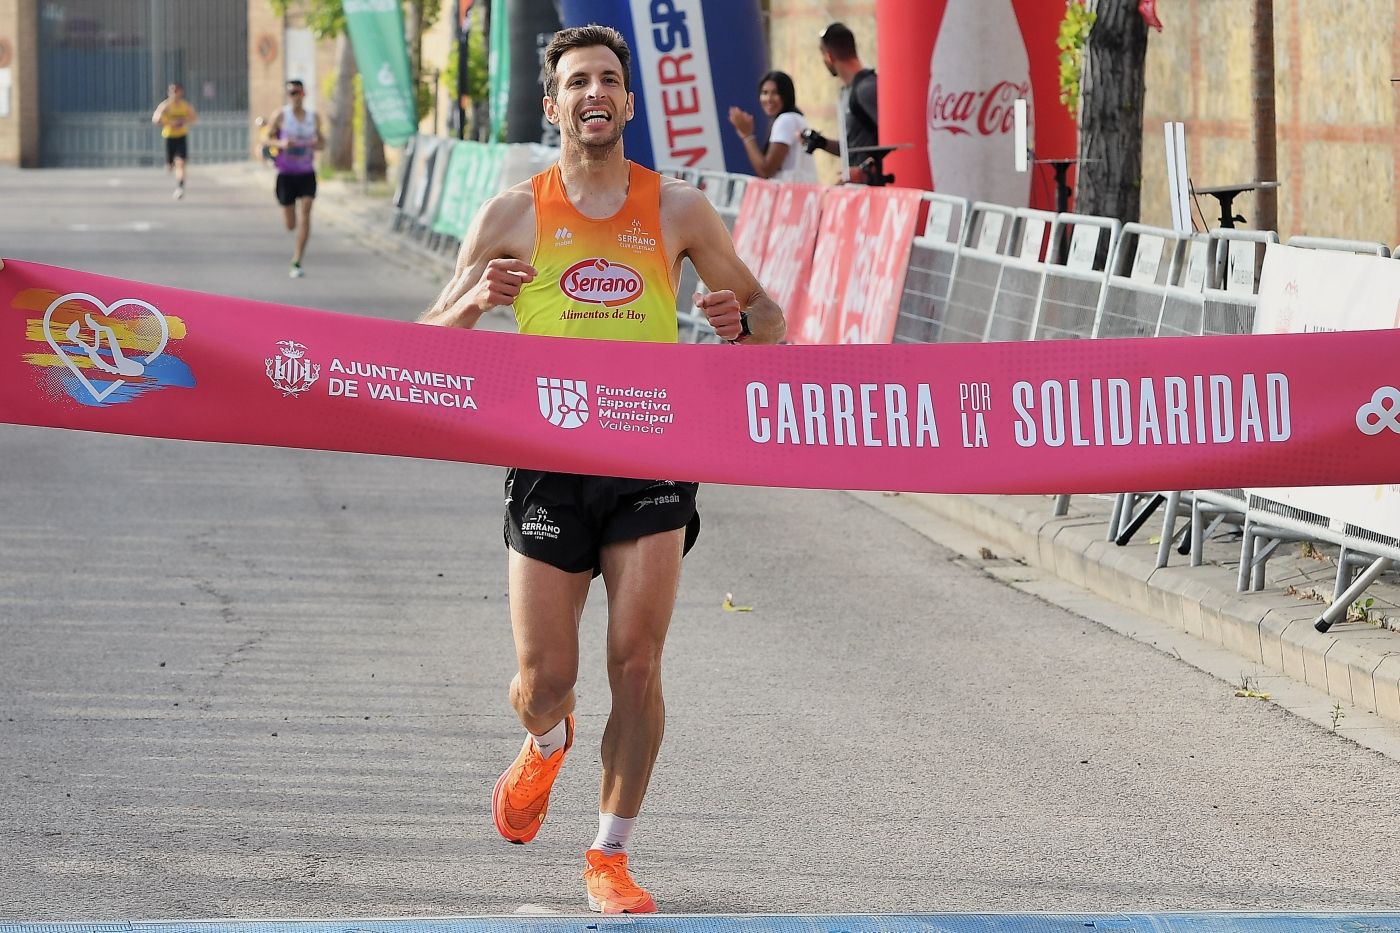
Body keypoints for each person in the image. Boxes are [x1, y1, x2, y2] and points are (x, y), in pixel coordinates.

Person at [418, 23, 783, 915]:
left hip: (652, 458)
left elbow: (772, 321)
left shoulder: (679, 210)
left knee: (638, 662)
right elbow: (424, 344)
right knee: (544, 679)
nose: (594, 93)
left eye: (608, 80)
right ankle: (545, 745)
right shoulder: (511, 213)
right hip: (546, 464)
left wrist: (739, 320)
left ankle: (609, 854)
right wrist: (473, 297)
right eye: (577, 81)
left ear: (628, 101)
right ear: (554, 105)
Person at [800, 22, 879, 184]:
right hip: (857, 194)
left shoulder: (867, 88)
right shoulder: (846, 92)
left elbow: (895, 140)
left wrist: (865, 170)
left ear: (829, 56)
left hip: (876, 193)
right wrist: (821, 142)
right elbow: (852, 148)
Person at [261, 80, 323, 278]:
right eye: (290, 93)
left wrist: (317, 143)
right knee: (290, 224)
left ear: (303, 94)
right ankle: (292, 227)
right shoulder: (281, 115)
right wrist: (281, 143)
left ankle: (297, 260)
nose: (293, 96)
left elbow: (323, 143)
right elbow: (265, 140)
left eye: (296, 92)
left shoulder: (314, 117)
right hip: (286, 175)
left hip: (306, 173)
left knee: (306, 212)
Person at [727, 70, 818, 182]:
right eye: (764, 93)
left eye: (775, 93)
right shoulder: (795, 118)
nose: (769, 99)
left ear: (786, 96)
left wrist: (747, 136)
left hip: (795, 194)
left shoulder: (786, 120)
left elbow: (766, 170)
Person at [151, 83, 197, 200]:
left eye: (177, 91)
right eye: (173, 91)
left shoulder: (185, 106)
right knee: (170, 166)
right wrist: (169, 123)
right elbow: (155, 120)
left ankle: (180, 187)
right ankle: (170, 164)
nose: (175, 94)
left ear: (181, 92)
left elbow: (194, 118)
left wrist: (183, 120)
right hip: (169, 137)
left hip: (181, 137)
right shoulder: (165, 106)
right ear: (169, 92)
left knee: (181, 163)